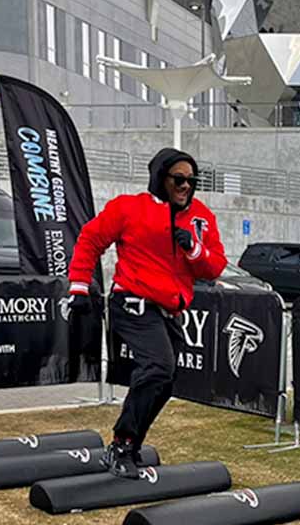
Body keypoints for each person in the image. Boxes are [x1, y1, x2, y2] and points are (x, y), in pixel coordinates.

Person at [67, 148, 227, 478]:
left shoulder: (201, 216)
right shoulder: (129, 207)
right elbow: (90, 239)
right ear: (160, 178)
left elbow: (215, 267)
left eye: (191, 181)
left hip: (170, 310)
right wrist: (80, 285)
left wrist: (194, 249)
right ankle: (122, 444)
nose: (186, 186)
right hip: (133, 302)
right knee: (158, 366)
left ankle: (129, 446)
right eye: (179, 179)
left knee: (165, 382)